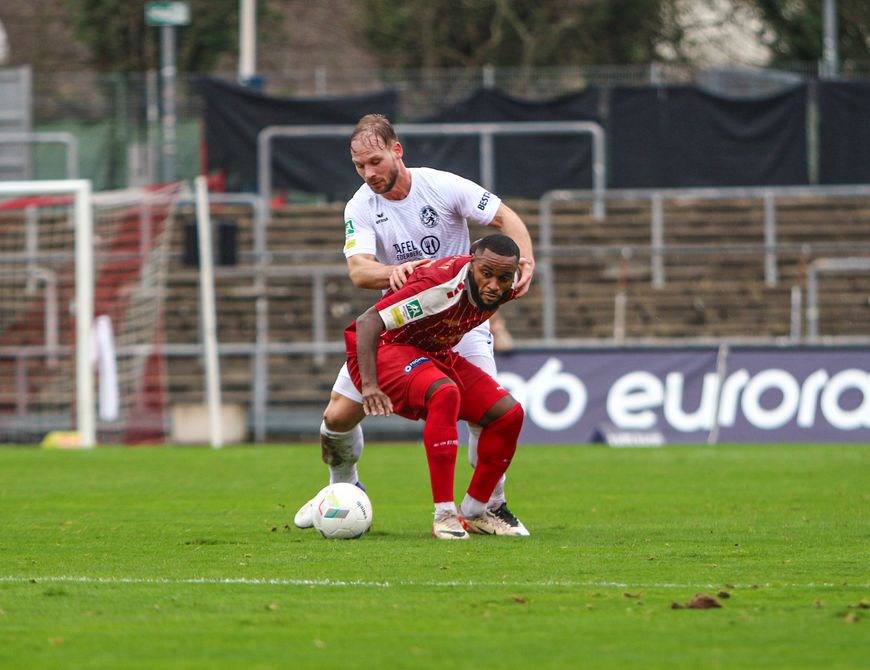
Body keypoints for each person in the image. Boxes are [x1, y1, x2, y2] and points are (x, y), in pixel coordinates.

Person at [293, 113, 535, 535]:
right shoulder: (360, 206)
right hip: (401, 324)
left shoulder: (441, 186)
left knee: (490, 415)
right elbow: (358, 271)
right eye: (360, 166)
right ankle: (343, 489)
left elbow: (505, 218)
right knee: (336, 420)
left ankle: (489, 507)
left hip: (460, 324)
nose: (369, 173)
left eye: (375, 161)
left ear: (396, 150)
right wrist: (395, 272)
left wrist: (527, 259)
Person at [348, 234, 525, 538]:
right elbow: (367, 323)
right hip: (387, 349)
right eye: (486, 274)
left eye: (503, 278)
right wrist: (369, 386)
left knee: (509, 414)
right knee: (444, 393)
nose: (494, 284)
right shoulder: (439, 287)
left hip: (435, 352)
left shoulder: (510, 284)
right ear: (471, 262)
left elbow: (518, 270)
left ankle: (475, 510)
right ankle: (444, 515)